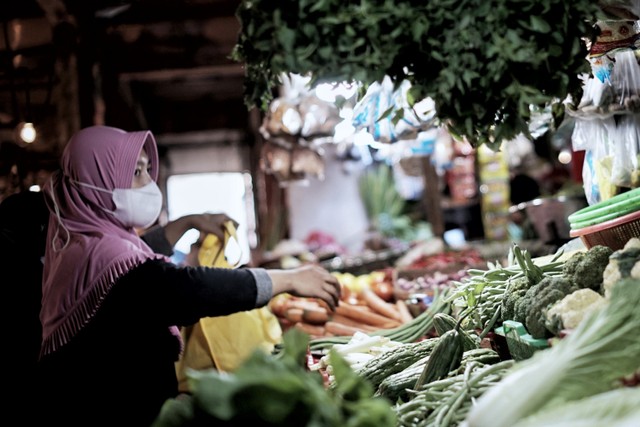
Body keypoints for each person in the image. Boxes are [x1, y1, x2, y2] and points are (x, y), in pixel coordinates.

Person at [35, 125, 341, 426]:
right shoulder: (105, 256)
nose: (148, 183)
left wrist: (188, 223)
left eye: (146, 170)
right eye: (136, 173)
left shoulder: (79, 238)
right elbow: (183, 289)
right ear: (96, 183)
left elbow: (137, 257)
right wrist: (285, 280)